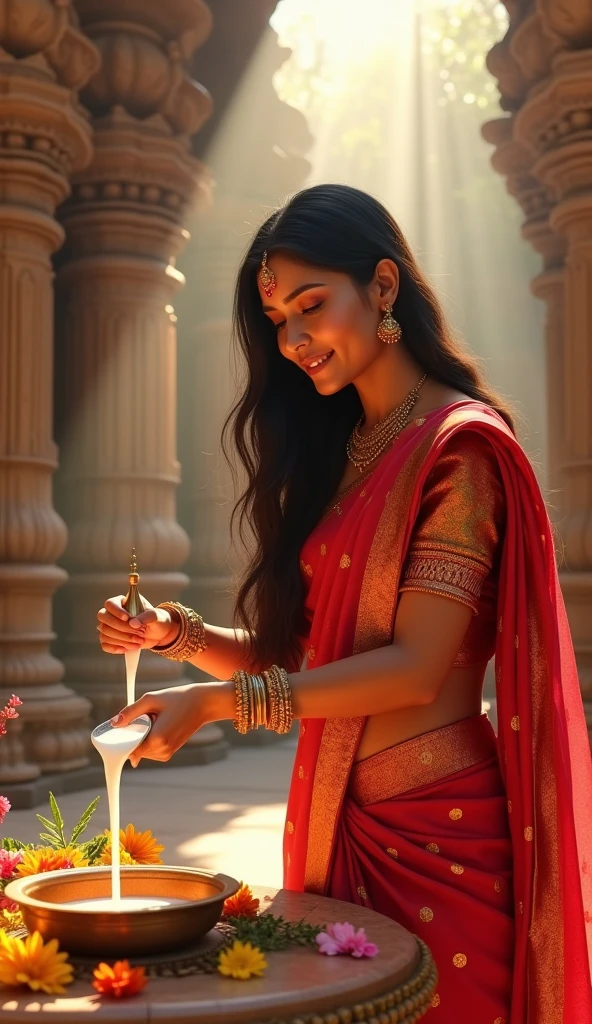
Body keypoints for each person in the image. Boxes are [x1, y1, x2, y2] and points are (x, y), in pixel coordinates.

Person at [97, 184, 592, 1021]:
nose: (293, 340)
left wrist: (221, 703)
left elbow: (412, 669)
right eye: (279, 322)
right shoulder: (350, 453)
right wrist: (177, 635)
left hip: (440, 841)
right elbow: (312, 660)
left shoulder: (458, 451)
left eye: (311, 306)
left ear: (386, 286)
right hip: (339, 823)